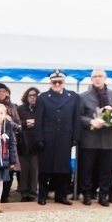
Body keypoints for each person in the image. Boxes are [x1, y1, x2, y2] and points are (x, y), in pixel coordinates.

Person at [34, 70, 82, 205]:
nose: (57, 84)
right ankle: (42, 196)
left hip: (65, 138)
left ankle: (61, 196)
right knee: (45, 169)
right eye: (54, 82)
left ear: (64, 82)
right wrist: (39, 138)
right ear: (50, 82)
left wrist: (76, 136)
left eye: (59, 82)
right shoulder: (43, 97)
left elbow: (76, 118)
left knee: (63, 169)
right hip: (47, 138)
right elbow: (39, 119)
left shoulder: (73, 97)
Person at [77, 70, 112, 206]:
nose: (97, 79)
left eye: (100, 76)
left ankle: (103, 195)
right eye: (94, 77)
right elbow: (79, 116)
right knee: (87, 169)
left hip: (108, 138)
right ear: (91, 79)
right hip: (90, 138)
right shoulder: (83, 96)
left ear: (105, 78)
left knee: (106, 169)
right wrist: (90, 122)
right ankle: (87, 194)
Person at [16, 87, 39, 202]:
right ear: (26, 96)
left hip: (36, 142)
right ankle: (24, 192)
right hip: (23, 142)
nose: (33, 97)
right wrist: (26, 123)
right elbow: (17, 122)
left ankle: (33, 191)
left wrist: (35, 122)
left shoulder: (40, 108)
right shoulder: (20, 108)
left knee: (34, 169)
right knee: (24, 169)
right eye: (30, 95)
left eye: (35, 95)